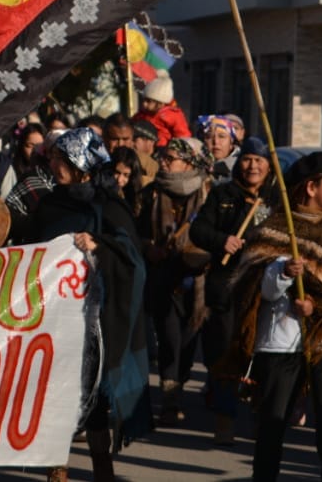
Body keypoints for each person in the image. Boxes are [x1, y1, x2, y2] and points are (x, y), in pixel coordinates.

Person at [230, 151, 322, 482]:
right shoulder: (276, 227)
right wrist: (283, 272)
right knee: (272, 425)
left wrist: (317, 308)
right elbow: (251, 287)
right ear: (310, 188)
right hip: (282, 340)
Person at [28, 128, 151, 482]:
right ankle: (58, 471)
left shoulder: (109, 206)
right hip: (54, 316)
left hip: (93, 320)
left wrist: (100, 244)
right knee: (56, 397)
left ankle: (102, 471)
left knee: (94, 403)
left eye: (60, 159)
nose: (52, 164)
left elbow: (132, 258)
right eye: (52, 157)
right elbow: (30, 249)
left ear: (81, 165)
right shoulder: (49, 204)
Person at [189, 136, 272, 445]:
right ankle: (224, 420)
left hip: (263, 290)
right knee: (225, 355)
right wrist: (221, 239)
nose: (252, 166)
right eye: (248, 159)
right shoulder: (223, 194)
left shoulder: (275, 200)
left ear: (268, 167)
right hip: (225, 288)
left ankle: (260, 419)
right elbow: (199, 230)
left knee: (259, 356)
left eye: (259, 161)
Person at [137, 136, 213, 427]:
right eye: (164, 157)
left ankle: (178, 384)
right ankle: (169, 400)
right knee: (170, 339)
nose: (164, 162)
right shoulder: (151, 194)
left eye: (171, 158)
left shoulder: (208, 193)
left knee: (188, 344)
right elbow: (136, 231)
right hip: (164, 278)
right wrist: (149, 248)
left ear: (190, 163)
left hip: (197, 282)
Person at [132, 73, 190, 148]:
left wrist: (178, 149)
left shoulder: (172, 115)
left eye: (148, 101)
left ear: (160, 103)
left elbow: (182, 135)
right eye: (144, 100)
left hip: (162, 149)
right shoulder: (142, 114)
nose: (144, 104)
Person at [197, 114, 240, 185]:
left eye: (222, 136)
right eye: (209, 137)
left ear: (231, 141)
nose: (216, 142)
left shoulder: (240, 169)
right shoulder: (195, 167)